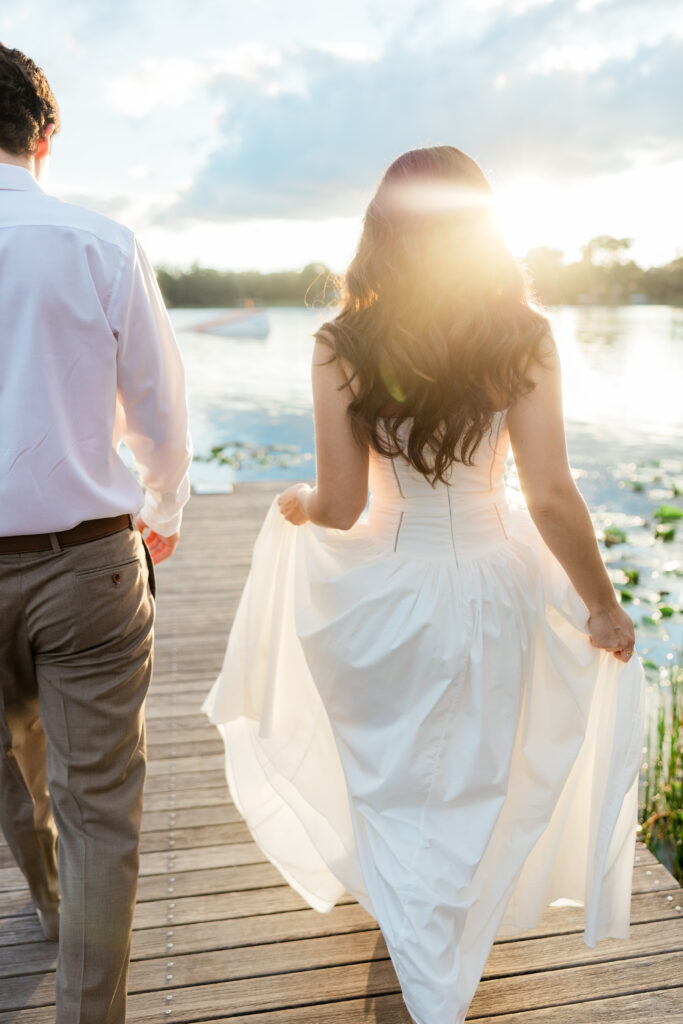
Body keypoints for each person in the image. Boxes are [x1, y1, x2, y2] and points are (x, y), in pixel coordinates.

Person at [203, 146, 644, 1024]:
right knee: (473, 778)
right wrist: (600, 601)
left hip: (384, 591)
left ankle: (425, 965)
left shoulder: (340, 343)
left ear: (379, 233)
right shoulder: (521, 337)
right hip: (491, 583)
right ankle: (436, 968)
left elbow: (339, 503)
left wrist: (294, 498)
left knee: (393, 780)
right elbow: (551, 493)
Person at [0, 44, 192, 1023]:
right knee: (101, 813)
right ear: (47, 134)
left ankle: (41, 898)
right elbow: (159, 416)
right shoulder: (101, 245)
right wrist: (160, 513)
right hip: (87, 564)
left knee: (10, 753)